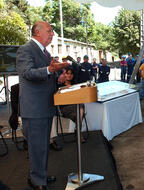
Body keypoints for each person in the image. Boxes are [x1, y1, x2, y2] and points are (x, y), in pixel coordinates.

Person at [16, 21, 69, 190]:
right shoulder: (25, 49)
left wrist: (57, 78)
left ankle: (41, 175)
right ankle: (36, 180)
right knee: (37, 147)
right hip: (34, 109)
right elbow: (28, 73)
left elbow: (47, 74)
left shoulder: (45, 52)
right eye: (50, 31)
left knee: (43, 146)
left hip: (45, 106)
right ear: (37, 32)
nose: (52, 34)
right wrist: (50, 70)